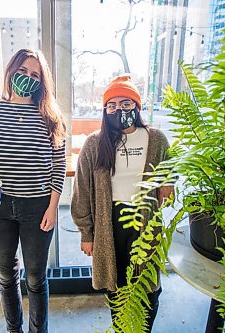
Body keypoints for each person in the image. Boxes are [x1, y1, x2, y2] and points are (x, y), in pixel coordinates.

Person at [71, 74, 173, 332]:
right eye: (112, 105)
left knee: (148, 284)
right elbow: (81, 190)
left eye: (125, 103)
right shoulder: (95, 143)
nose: (119, 110)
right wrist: (87, 233)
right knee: (117, 284)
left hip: (146, 221)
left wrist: (169, 182)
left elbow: (170, 167)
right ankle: (121, 328)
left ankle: (142, 328)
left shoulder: (156, 139)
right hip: (110, 222)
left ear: (136, 107)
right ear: (105, 110)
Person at [0, 48, 66, 333]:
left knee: (36, 278)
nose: (28, 78)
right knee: (6, 275)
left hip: (37, 208)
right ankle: (13, 329)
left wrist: (52, 207)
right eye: (23, 71)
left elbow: (58, 164)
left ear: (43, 81)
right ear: (10, 72)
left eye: (35, 74)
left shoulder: (50, 117)